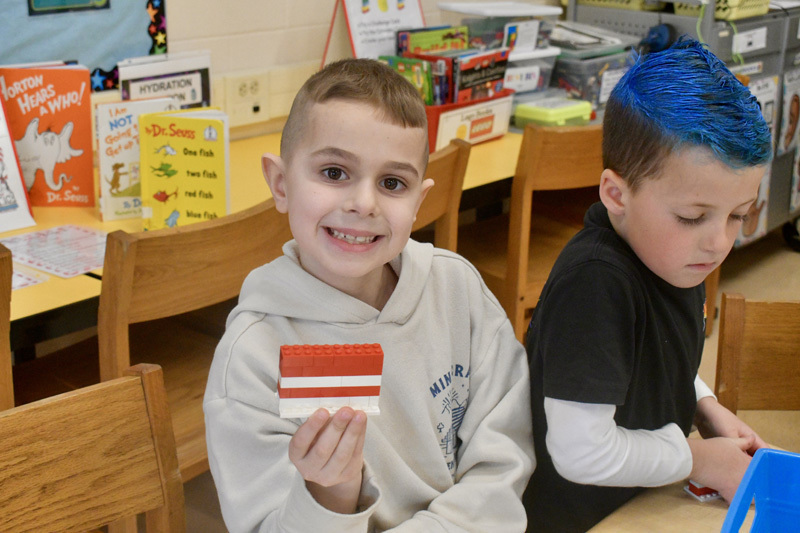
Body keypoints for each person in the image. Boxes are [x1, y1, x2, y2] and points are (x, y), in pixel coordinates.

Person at [204, 58, 535, 532]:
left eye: (392, 183)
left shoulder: (456, 289)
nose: (364, 202)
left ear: (419, 202)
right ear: (281, 184)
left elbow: (504, 457)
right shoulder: (254, 356)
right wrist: (329, 493)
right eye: (334, 172)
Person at [522, 38, 773, 532]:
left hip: (643, 497)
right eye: (692, 216)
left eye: (738, 216)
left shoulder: (671, 254)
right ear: (617, 194)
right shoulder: (596, 284)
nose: (718, 243)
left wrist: (705, 404)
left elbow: (655, 351)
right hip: (584, 519)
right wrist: (700, 460)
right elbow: (580, 454)